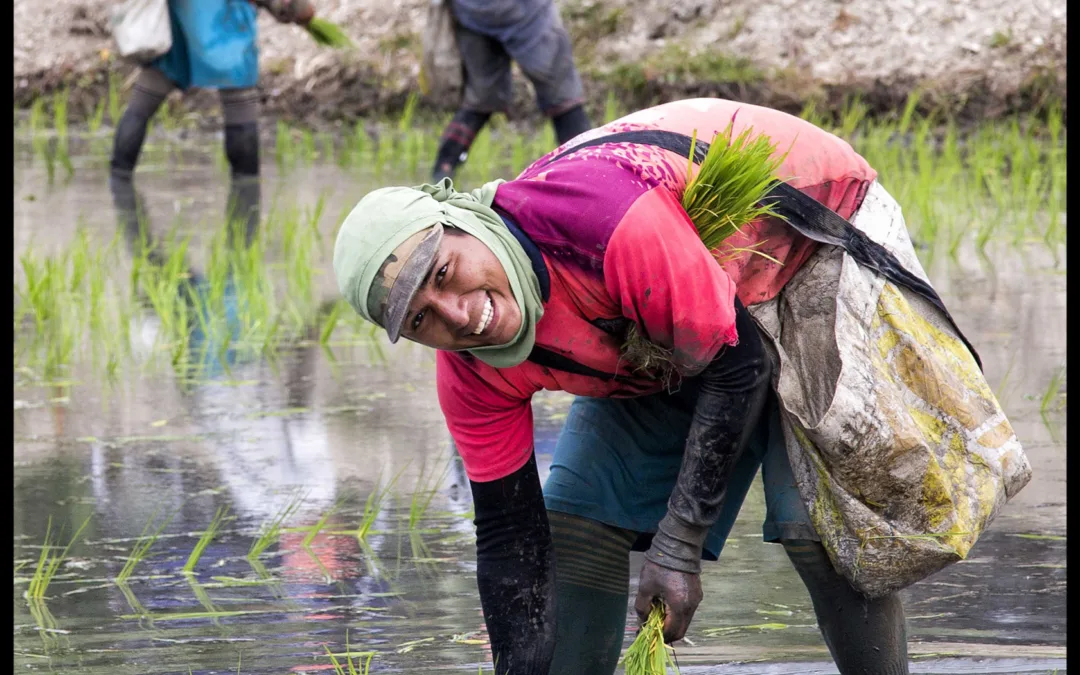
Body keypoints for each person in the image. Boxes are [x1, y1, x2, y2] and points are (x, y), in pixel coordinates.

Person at [333, 98, 913, 675]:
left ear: (465, 222)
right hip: (682, 320)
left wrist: (679, 545)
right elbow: (509, 536)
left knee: (817, 531)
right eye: (418, 319)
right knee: (576, 534)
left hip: (811, 235)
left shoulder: (597, 222)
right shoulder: (471, 368)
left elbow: (737, 370)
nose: (455, 315)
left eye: (443, 273)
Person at [109, 0, 317, 242]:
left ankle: (119, 186)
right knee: (239, 99)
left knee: (146, 96)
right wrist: (297, 11)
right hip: (225, 21)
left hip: (180, 22)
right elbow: (293, 7)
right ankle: (245, 208)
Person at [430, 0, 593, 182]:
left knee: (482, 96)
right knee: (563, 98)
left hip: (471, 11)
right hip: (523, 11)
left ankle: (441, 174)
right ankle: (588, 175)